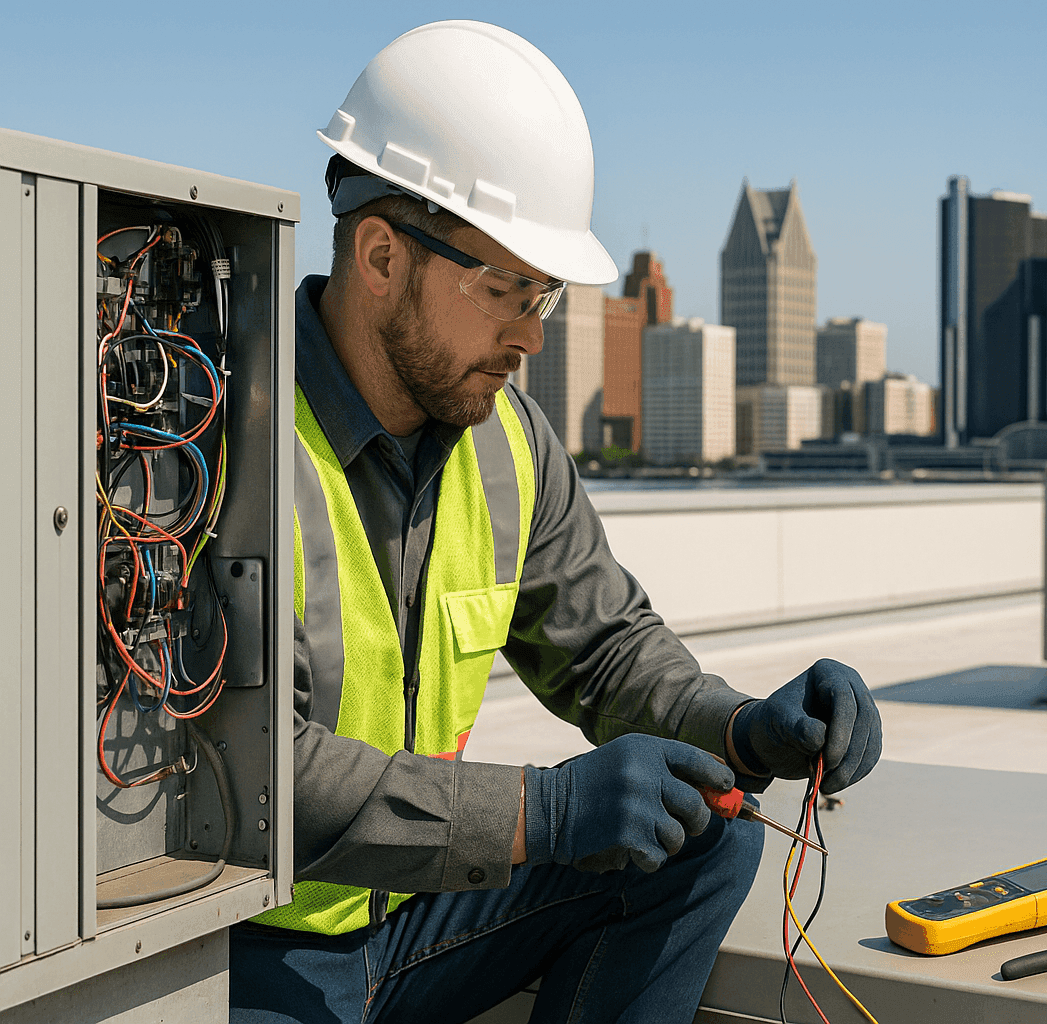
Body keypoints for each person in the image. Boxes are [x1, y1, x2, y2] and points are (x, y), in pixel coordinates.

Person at [227, 20, 882, 1024]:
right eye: (509, 289)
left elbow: (608, 657)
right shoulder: (233, 445)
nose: (533, 334)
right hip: (255, 953)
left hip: (412, 919)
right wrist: (543, 812)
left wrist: (748, 728)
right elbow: (263, 779)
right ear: (380, 257)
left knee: (710, 837)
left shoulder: (508, 445)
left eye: (548, 293)